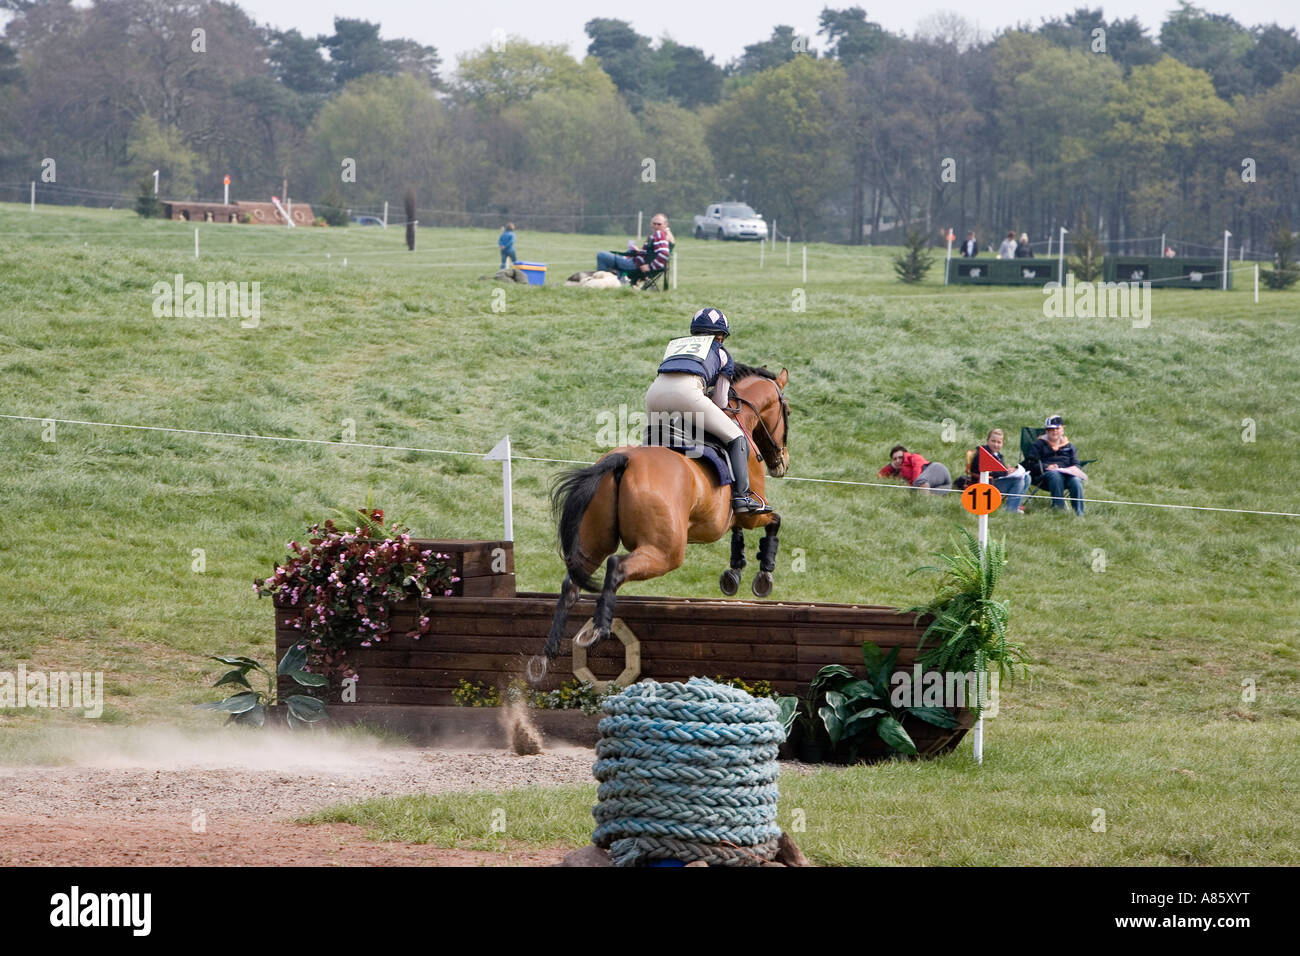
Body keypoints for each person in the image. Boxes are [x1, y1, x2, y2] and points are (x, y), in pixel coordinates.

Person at [645, 306, 771, 514]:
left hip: (653, 394)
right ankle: (742, 497)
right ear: (721, 337)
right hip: (687, 394)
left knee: (658, 439)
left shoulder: (676, 345)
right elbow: (721, 401)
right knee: (737, 437)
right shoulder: (721, 352)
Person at [1024, 415, 1086, 516]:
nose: (1054, 431)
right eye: (1051, 429)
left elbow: (1076, 464)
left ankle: (1079, 514)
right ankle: (1059, 510)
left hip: (1067, 475)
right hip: (1045, 478)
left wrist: (1073, 469)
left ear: (1062, 430)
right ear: (1046, 431)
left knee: (1076, 480)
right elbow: (1030, 464)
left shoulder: (1070, 447)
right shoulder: (1038, 445)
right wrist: (1046, 467)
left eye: (1057, 428)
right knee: (1055, 475)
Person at [597, 213, 673, 281]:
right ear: (651, 223)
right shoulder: (663, 236)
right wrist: (639, 251)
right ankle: (619, 281)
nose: (656, 226)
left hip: (634, 265)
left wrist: (651, 267)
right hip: (636, 263)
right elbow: (654, 252)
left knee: (601, 255)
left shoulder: (659, 234)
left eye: (659, 224)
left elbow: (664, 253)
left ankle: (603, 282)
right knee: (624, 254)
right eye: (654, 223)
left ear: (665, 224)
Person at [970, 428, 1030, 514]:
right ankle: (1011, 510)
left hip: (995, 481)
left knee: (1027, 477)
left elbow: (999, 470)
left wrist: (1009, 470)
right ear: (987, 441)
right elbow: (991, 471)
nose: (995, 444)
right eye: (993, 441)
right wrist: (1006, 472)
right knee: (1018, 481)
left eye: (999, 442)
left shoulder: (998, 455)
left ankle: (1016, 504)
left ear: (1002, 444)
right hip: (985, 485)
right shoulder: (982, 454)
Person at [878, 445, 951, 495]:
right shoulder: (900, 473)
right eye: (895, 459)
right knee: (921, 494)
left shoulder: (914, 457)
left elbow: (917, 468)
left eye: (900, 457)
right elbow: (880, 475)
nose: (897, 460)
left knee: (920, 483)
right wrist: (892, 466)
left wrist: (914, 486)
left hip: (938, 469)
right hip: (944, 485)